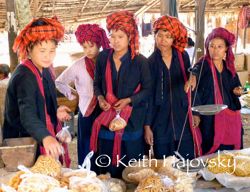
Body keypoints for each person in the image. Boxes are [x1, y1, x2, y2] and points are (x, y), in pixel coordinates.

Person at [3, 17, 71, 167]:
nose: (48, 56)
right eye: (42, 51)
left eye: (52, 51)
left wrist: (56, 111)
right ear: (28, 50)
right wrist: (45, 136)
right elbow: (27, 114)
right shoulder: (24, 76)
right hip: (24, 142)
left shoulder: (44, 70)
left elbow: (43, 102)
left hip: (36, 134)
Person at [90, 10, 151, 178]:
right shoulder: (103, 57)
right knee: (107, 168)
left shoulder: (140, 62)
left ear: (130, 37)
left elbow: (147, 90)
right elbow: (96, 84)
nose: (115, 41)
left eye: (120, 37)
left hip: (132, 121)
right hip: (107, 119)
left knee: (131, 170)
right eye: (112, 36)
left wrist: (129, 100)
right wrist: (101, 98)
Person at [144, 15, 202, 160]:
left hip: (182, 117)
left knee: (186, 163)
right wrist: (147, 126)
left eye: (168, 36)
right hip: (160, 121)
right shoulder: (149, 63)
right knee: (165, 166)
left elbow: (191, 85)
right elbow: (148, 97)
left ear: (174, 39)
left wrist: (195, 112)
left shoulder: (183, 57)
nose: (163, 40)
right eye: (160, 35)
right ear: (155, 36)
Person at [55, 24, 110, 167]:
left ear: (99, 44)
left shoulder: (108, 63)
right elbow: (59, 82)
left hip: (105, 109)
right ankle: (87, 174)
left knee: (104, 143)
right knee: (87, 144)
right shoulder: (78, 65)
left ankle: (104, 174)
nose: (88, 51)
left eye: (91, 46)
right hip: (87, 111)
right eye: (84, 47)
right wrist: (74, 94)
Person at [191, 27, 243, 154]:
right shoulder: (202, 65)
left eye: (219, 47)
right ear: (207, 47)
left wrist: (237, 90)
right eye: (212, 46)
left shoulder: (229, 67)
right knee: (211, 149)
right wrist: (195, 113)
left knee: (230, 151)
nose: (215, 50)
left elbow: (238, 87)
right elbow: (193, 82)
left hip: (230, 116)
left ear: (226, 49)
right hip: (210, 118)